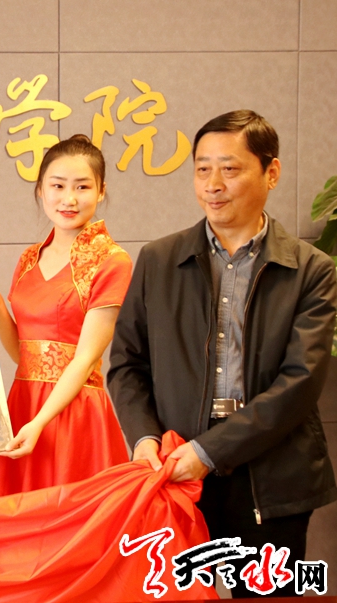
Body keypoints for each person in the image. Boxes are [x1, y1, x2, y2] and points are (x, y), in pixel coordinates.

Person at [108, 110, 337, 598]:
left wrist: (208, 453)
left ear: (271, 173)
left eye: (230, 169)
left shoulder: (311, 269)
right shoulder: (158, 260)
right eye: (202, 169)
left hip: (271, 476)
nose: (213, 184)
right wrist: (144, 439)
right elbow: (127, 364)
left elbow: (300, 382)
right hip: (175, 472)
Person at [0, 134, 131, 496]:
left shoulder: (112, 261)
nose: (69, 199)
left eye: (82, 187)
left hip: (74, 412)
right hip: (23, 402)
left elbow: (85, 360)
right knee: (19, 519)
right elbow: (25, 356)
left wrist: (40, 422)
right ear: (40, 190)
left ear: (101, 191)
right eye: (58, 185)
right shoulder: (29, 258)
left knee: (69, 517)